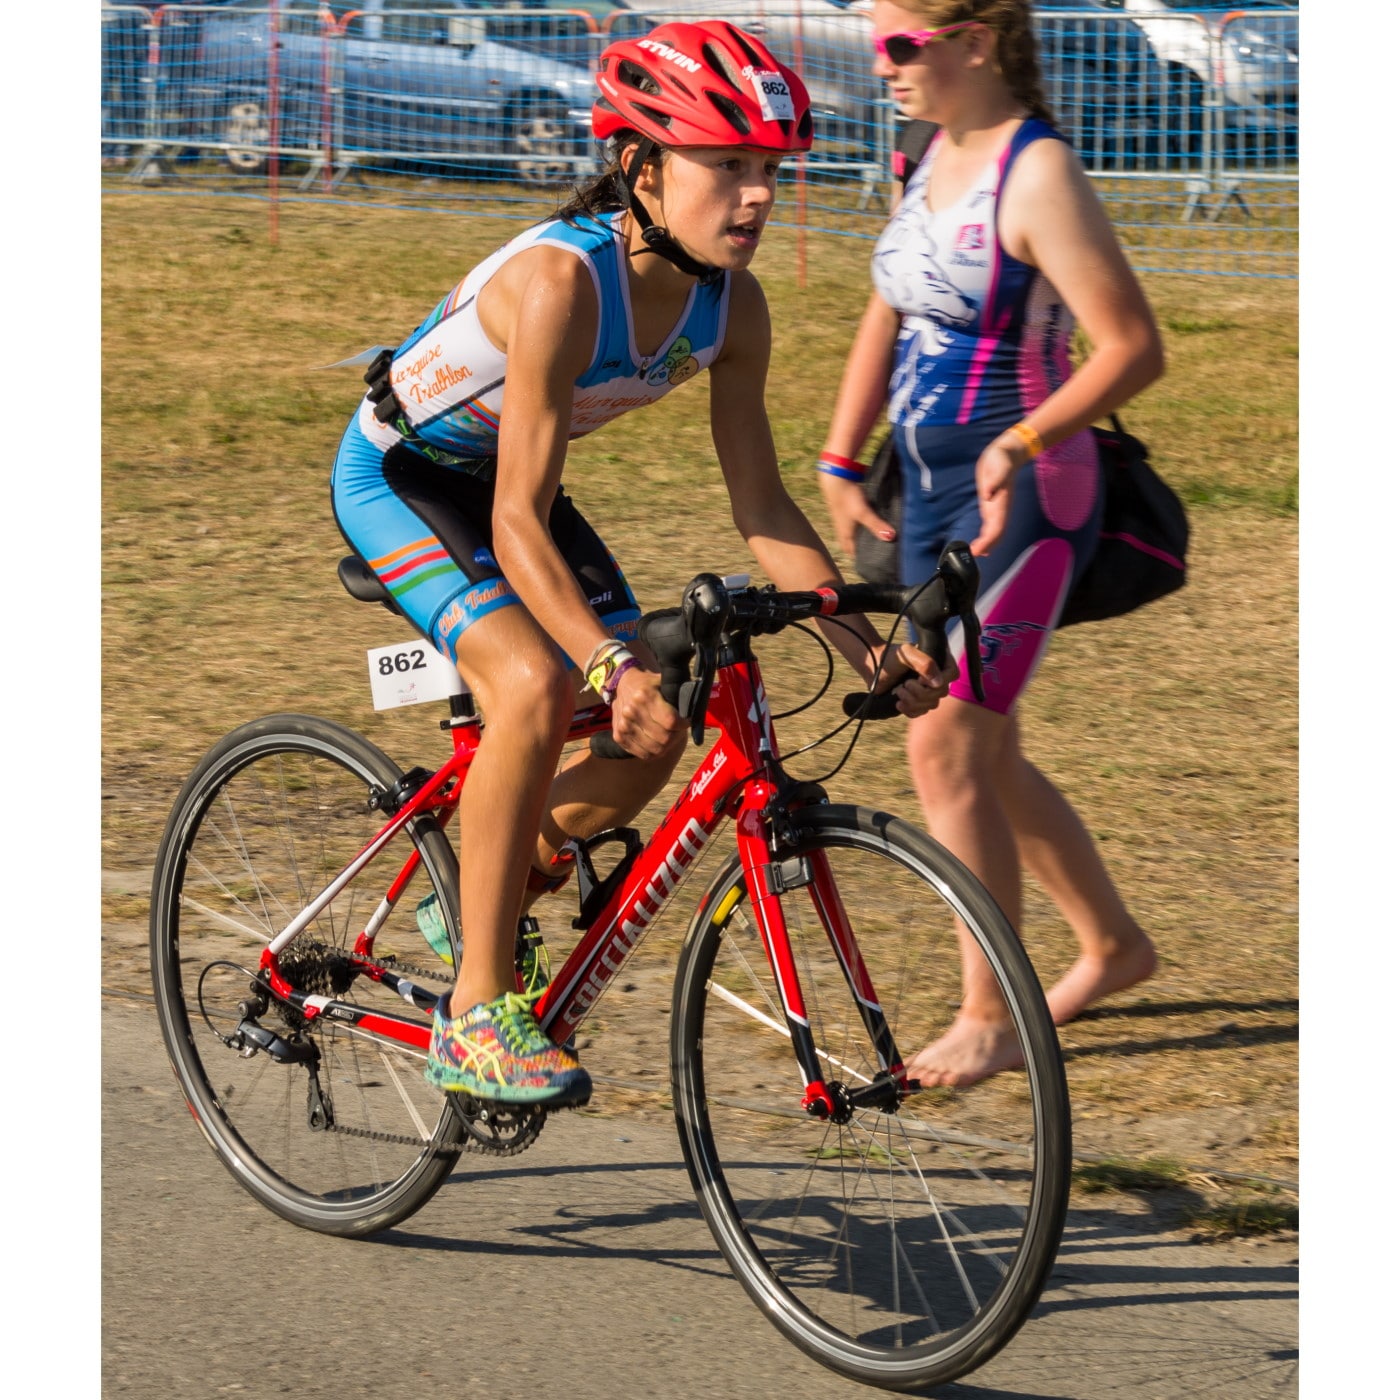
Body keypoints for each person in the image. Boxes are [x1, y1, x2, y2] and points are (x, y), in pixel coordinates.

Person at [330, 21, 955, 1110]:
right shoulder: (560, 284)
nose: (757, 197)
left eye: (768, 171)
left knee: (660, 719)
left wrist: (861, 634)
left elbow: (759, 500)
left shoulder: (731, 302)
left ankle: (489, 878)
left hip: (510, 490)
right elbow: (517, 520)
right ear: (640, 167)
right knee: (536, 682)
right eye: (727, 168)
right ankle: (476, 1009)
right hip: (406, 478)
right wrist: (598, 664)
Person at [816, 0, 1164, 1087]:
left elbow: (1131, 347)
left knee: (946, 743)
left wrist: (1022, 440)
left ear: (974, 38)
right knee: (976, 741)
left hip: (1025, 493)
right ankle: (1109, 948)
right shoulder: (925, 151)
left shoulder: (1036, 173)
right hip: (920, 486)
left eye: (900, 43)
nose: (881, 64)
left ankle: (985, 1011)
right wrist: (837, 455)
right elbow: (889, 307)